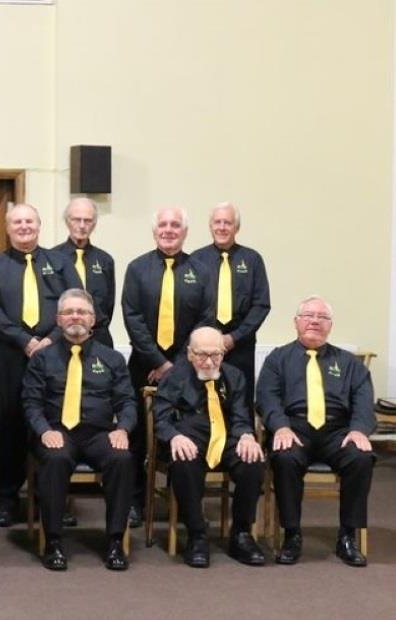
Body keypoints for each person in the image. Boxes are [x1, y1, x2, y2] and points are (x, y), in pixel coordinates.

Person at [0, 203, 80, 526]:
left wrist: (50, 338)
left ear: (39, 225)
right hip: (8, 356)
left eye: (29, 221)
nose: (23, 227)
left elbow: (76, 301)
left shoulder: (60, 263)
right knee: (8, 426)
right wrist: (24, 340)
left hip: (55, 357)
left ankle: (51, 497)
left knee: (53, 424)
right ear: (7, 228)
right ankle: (6, 498)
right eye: (17, 222)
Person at [257, 295, 375, 567]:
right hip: (294, 428)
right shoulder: (278, 359)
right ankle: (292, 535)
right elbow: (267, 398)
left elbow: (363, 400)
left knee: (361, 458)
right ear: (296, 322)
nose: (314, 321)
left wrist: (359, 430)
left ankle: (348, 536)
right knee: (285, 458)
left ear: (330, 325)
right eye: (308, 315)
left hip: (339, 431)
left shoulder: (349, 363)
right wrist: (280, 427)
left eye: (322, 317)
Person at [22, 289, 135, 571]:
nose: (76, 317)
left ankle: (115, 541)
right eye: (69, 312)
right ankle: (54, 541)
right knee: (56, 457)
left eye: (82, 312)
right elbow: (31, 402)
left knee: (121, 458)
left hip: (99, 433)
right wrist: (43, 430)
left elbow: (127, 401)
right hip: (56, 431)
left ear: (93, 319)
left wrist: (123, 429)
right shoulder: (42, 359)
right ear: (58, 320)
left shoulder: (112, 359)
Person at [121, 207, 209, 521]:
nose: (168, 230)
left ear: (185, 232)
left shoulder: (200, 270)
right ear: (154, 230)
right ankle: (134, 502)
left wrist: (175, 365)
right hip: (142, 365)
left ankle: (182, 502)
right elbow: (132, 318)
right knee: (135, 437)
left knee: (184, 432)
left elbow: (205, 321)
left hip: (187, 370)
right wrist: (158, 360)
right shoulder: (137, 268)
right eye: (163, 224)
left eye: (175, 225)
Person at [153, 326, 266, 567]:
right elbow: (161, 418)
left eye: (215, 355)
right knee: (184, 463)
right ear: (190, 353)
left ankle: (241, 534)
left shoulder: (234, 376)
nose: (209, 361)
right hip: (189, 440)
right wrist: (174, 436)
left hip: (227, 439)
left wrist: (246, 435)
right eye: (202, 355)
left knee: (253, 461)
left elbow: (240, 415)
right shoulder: (174, 377)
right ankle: (196, 535)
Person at [190, 202, 270, 408]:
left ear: (237, 227)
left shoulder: (252, 259)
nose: (222, 227)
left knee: (240, 401)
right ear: (210, 226)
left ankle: (241, 439)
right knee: (203, 400)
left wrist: (234, 338)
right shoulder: (196, 260)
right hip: (205, 347)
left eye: (228, 222)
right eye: (217, 222)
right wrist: (210, 339)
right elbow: (189, 305)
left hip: (240, 345)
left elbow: (261, 305)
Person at [53, 197, 116, 347]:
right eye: (76, 220)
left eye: (87, 221)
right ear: (67, 221)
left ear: (94, 224)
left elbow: (108, 305)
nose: (82, 226)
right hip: (62, 339)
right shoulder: (52, 258)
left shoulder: (104, 260)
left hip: (98, 338)